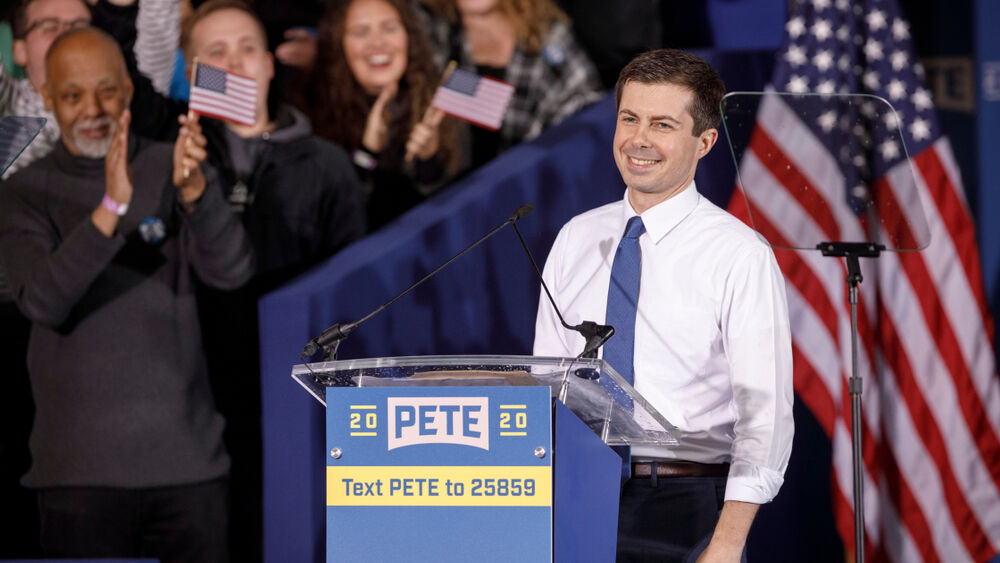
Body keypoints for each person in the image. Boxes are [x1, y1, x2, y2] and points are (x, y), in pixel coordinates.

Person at [0, 26, 253, 562]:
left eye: (107, 91)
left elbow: (231, 273)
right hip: (78, 481)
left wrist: (198, 194)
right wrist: (109, 212)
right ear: (47, 98)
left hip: (189, 470)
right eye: (71, 95)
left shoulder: (173, 166)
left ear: (129, 91)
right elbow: (43, 302)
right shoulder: (23, 194)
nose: (92, 108)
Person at [532, 49, 793, 562]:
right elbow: (546, 384)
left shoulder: (739, 254)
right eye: (629, 118)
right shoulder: (576, 237)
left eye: (662, 124)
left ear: (705, 142)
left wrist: (727, 542)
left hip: (686, 504)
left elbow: (765, 418)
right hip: (575, 496)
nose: (639, 139)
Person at [176, 2, 367, 560]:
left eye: (246, 48)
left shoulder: (326, 164)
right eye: (215, 53)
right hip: (196, 401)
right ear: (193, 75)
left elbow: (353, 293)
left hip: (295, 401)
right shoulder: (174, 160)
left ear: (267, 63)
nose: (233, 62)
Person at [296, 0, 464, 231]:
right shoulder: (311, 117)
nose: (377, 42)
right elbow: (334, 223)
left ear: (409, 37)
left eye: (389, 28)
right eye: (360, 32)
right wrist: (367, 153)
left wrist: (429, 160)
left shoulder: (442, 103)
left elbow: (462, 211)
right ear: (338, 44)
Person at [0, 0, 178, 177]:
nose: (68, 35)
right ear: (19, 50)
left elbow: (156, 18)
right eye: (50, 27)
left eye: (81, 26)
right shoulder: (9, 105)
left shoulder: (128, 100)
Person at [417, 0, 603, 167]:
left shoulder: (547, 37)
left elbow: (590, 115)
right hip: (460, 188)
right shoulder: (434, 36)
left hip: (533, 177)